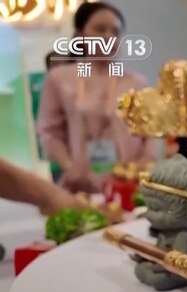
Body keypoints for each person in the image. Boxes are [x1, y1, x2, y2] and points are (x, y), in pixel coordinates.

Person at [37, 1, 154, 194]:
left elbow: (150, 134)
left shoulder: (136, 82)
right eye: (100, 29)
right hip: (80, 184)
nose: (108, 36)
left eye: (115, 32)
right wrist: (69, 167)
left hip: (128, 185)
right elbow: (49, 131)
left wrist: (144, 163)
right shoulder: (59, 78)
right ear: (80, 35)